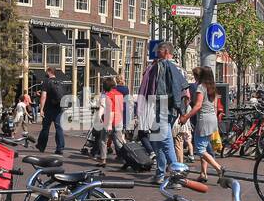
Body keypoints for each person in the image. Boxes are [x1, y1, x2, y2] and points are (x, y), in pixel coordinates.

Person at [138, 41, 188, 178]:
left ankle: (177, 176)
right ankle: (160, 174)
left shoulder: (163, 66)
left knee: (165, 141)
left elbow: (160, 91)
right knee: (157, 140)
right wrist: (181, 111)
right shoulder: (180, 69)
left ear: (166, 52)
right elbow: (186, 93)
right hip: (168, 109)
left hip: (163, 108)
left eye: (159, 51)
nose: (156, 54)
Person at [182, 66, 225, 183]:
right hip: (212, 119)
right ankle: (203, 173)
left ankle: (219, 168)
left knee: (200, 149)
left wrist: (186, 117)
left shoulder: (201, 87)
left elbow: (198, 105)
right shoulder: (213, 88)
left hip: (204, 120)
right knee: (204, 147)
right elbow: (215, 106)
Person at [95, 76, 126, 167]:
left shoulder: (107, 95)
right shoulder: (120, 94)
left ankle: (103, 160)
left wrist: (104, 120)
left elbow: (107, 109)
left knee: (103, 140)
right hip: (118, 120)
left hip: (109, 120)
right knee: (119, 143)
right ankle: (126, 159)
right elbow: (121, 109)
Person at [37, 67, 66, 154]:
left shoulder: (46, 82)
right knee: (59, 128)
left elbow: (44, 96)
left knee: (45, 128)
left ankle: (41, 146)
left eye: (46, 71)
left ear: (49, 72)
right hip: (59, 109)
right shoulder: (60, 81)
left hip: (49, 109)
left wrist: (41, 109)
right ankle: (60, 148)